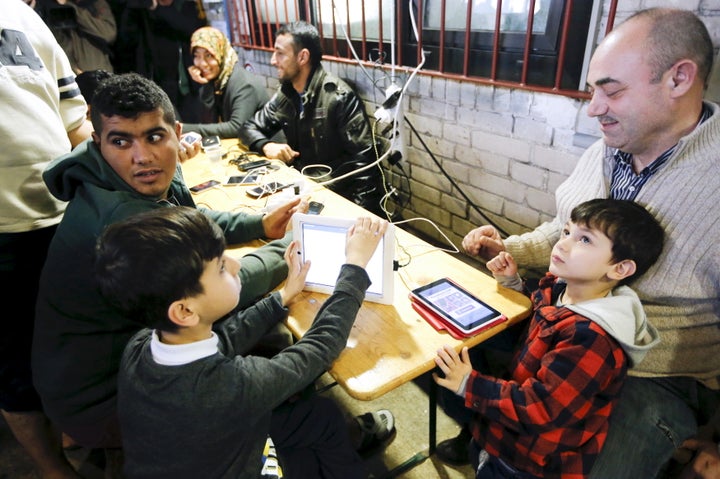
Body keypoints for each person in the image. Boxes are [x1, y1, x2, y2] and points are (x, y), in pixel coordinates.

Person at [455, 8, 720, 478]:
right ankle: (487, 446)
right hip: (564, 321)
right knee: (457, 340)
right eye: (592, 90)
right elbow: (562, 228)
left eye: (611, 90)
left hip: (657, 374)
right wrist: (508, 250)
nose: (594, 108)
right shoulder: (606, 149)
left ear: (679, 78)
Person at [32, 72, 303, 456]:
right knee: (266, 336)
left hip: (115, 363)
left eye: (154, 137)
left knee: (267, 328)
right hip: (104, 400)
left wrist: (260, 223)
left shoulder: (127, 178)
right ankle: (298, 436)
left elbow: (193, 225)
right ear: (98, 142)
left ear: (176, 132)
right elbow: (212, 287)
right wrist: (296, 246)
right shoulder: (118, 220)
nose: (142, 156)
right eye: (121, 141)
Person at [94, 207, 391, 478]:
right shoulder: (231, 385)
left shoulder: (141, 344)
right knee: (315, 422)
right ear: (184, 311)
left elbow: (222, 339)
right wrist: (355, 266)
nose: (236, 265)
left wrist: (281, 297)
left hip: (193, 451)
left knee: (320, 415)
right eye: (221, 267)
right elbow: (320, 347)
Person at [434, 198, 664, 478]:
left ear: (620, 269)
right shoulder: (563, 287)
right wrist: (512, 282)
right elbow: (539, 311)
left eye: (586, 240)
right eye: (567, 232)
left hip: (529, 461)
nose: (563, 244)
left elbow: (540, 408)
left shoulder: (593, 339)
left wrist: (469, 384)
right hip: (503, 436)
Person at [1, 1, 93, 477]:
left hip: (63, 217)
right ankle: (54, 470)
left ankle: (79, 426)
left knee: (77, 342)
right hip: (2, 232)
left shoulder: (23, 15)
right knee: (15, 370)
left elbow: (75, 120)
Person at [239, 20, 386, 216]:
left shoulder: (338, 97)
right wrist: (266, 145)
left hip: (335, 197)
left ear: (303, 57)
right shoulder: (287, 94)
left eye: (280, 53)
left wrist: (359, 219)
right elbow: (248, 128)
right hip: (304, 191)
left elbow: (365, 166)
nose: (273, 60)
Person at [181, 26, 283, 141]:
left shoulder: (244, 84)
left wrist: (185, 129)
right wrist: (205, 85)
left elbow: (236, 128)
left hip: (270, 149)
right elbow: (208, 119)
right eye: (196, 56)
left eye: (208, 55)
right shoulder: (218, 80)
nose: (202, 63)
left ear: (221, 53)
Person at [34, 0, 117, 73]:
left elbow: (109, 33)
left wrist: (72, 9)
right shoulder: (50, 7)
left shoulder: (97, 4)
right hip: (71, 76)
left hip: (98, 75)